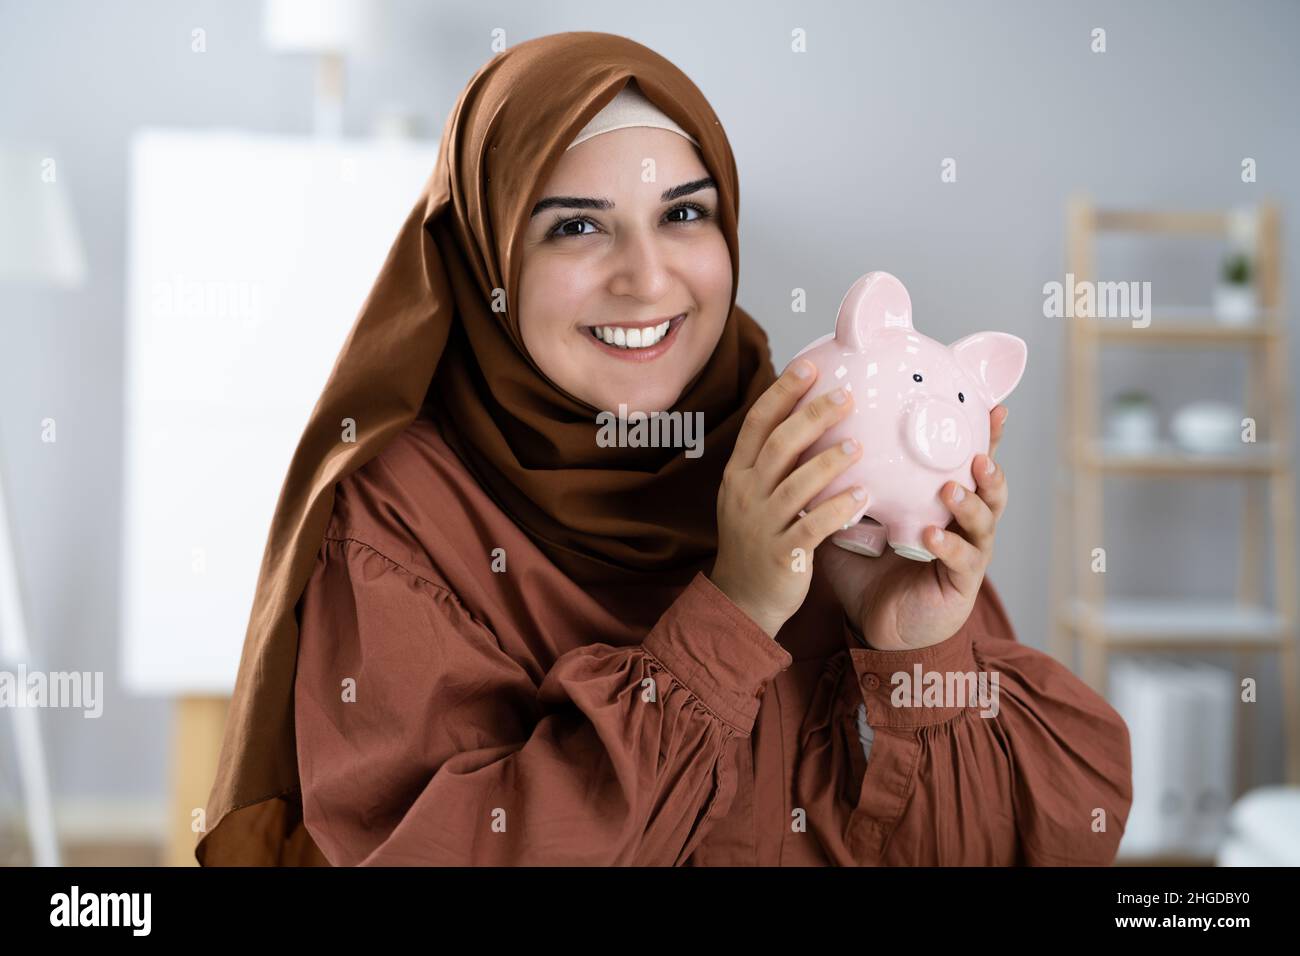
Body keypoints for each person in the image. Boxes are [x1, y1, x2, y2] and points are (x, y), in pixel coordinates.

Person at [195, 31, 1132, 867]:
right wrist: (735, 614)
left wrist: (914, 647)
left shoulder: (820, 461)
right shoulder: (403, 516)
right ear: (485, 259)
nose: (647, 279)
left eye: (684, 214)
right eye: (575, 226)